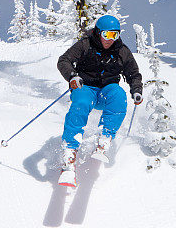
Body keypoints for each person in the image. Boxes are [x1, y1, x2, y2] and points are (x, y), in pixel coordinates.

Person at [56, 15, 143, 182]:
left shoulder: (122, 51)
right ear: (98, 33)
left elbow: (133, 74)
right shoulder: (85, 44)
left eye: (114, 35)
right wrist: (72, 77)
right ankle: (70, 152)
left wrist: (136, 89)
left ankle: (105, 139)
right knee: (80, 103)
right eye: (106, 35)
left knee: (119, 95)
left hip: (106, 91)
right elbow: (64, 60)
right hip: (85, 87)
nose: (110, 40)